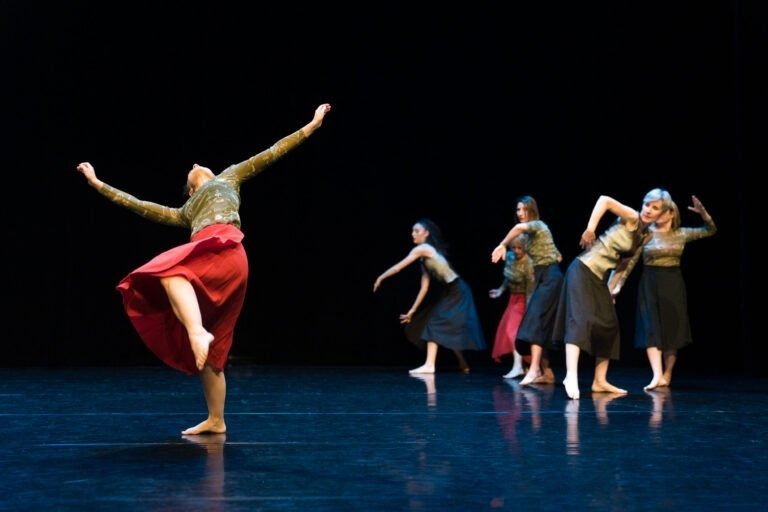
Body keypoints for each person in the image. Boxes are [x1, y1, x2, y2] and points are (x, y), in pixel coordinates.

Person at [75, 103, 332, 434]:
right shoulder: (184, 211)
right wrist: (97, 184)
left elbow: (272, 153)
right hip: (222, 260)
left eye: (197, 164)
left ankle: (196, 331)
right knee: (214, 353)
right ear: (193, 191)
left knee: (168, 271)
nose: (195, 163)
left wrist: (311, 125)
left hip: (225, 248)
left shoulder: (230, 176)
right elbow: (138, 205)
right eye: (190, 170)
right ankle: (216, 420)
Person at [553, 189, 673, 399]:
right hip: (582, 268)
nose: (648, 210)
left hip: (599, 279)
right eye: (647, 204)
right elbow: (604, 200)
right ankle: (570, 375)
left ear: (662, 214)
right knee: (580, 320)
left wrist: (612, 288)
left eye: (655, 208)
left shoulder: (646, 235)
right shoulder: (631, 217)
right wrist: (590, 229)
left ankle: (600, 380)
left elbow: (624, 263)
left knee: (609, 325)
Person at [373, 219, 487, 374]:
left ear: (426, 234)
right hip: (454, 290)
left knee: (435, 323)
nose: (413, 234)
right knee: (447, 327)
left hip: (457, 290)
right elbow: (424, 288)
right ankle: (462, 363)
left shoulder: (423, 248)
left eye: (417, 231)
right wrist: (412, 310)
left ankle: (429, 365)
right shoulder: (424, 257)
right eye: (412, 231)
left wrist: (381, 277)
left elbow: (398, 267)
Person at [635, 195, 717, 390]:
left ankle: (667, 373)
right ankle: (656, 375)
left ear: (671, 213)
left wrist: (704, 214)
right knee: (651, 328)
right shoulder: (644, 233)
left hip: (672, 282)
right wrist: (616, 285)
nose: (657, 213)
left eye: (662, 210)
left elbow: (711, 230)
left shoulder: (681, 233)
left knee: (672, 329)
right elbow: (629, 261)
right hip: (649, 282)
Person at [491, 196, 563, 386]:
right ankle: (546, 373)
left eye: (523, 209)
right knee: (541, 324)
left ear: (531, 210)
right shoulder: (533, 234)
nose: (519, 213)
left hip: (550, 277)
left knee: (536, 320)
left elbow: (518, 229)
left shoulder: (538, 225)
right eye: (517, 210)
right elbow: (559, 256)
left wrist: (502, 244)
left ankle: (533, 370)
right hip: (544, 276)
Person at [488, 234, 535, 378]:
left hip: (524, 300)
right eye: (513, 247)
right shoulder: (509, 257)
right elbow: (509, 277)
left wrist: (529, 309)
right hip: (512, 299)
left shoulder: (528, 263)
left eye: (519, 248)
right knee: (508, 332)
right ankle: (522, 367)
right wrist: (500, 290)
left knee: (512, 332)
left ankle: (519, 366)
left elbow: (530, 288)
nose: (516, 250)